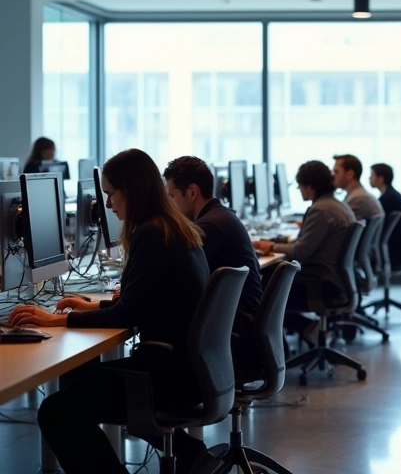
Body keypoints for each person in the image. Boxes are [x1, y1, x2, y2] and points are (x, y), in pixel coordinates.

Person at [8, 148, 213, 474]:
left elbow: (128, 315)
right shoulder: (174, 228)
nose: (106, 204)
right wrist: (94, 304)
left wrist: (58, 319)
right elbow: (147, 300)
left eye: (110, 194)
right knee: (78, 380)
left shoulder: (151, 234)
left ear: (130, 191)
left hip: (167, 379)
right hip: (189, 370)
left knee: (56, 410)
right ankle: (192, 452)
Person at [162, 155, 264, 380]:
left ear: (192, 192)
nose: (170, 205)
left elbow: (178, 282)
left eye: (172, 196)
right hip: (240, 333)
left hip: (233, 340)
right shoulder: (223, 217)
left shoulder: (208, 227)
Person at [254, 161, 355, 339]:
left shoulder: (321, 210)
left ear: (310, 187)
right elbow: (308, 240)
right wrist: (278, 241)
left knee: (262, 287)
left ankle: (288, 341)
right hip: (333, 280)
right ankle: (306, 330)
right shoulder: (336, 205)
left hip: (320, 284)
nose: (300, 191)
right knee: (271, 276)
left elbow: (301, 251)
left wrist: (271, 246)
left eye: (300, 186)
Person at [369, 162, 401, 270]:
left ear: (380, 179)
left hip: (393, 249)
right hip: (396, 248)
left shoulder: (388, 199)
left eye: (372, 175)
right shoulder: (392, 195)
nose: (369, 178)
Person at [333, 154, 384, 222]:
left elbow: (341, 227)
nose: (333, 176)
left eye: (336, 172)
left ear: (350, 174)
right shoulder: (359, 194)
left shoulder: (358, 199)